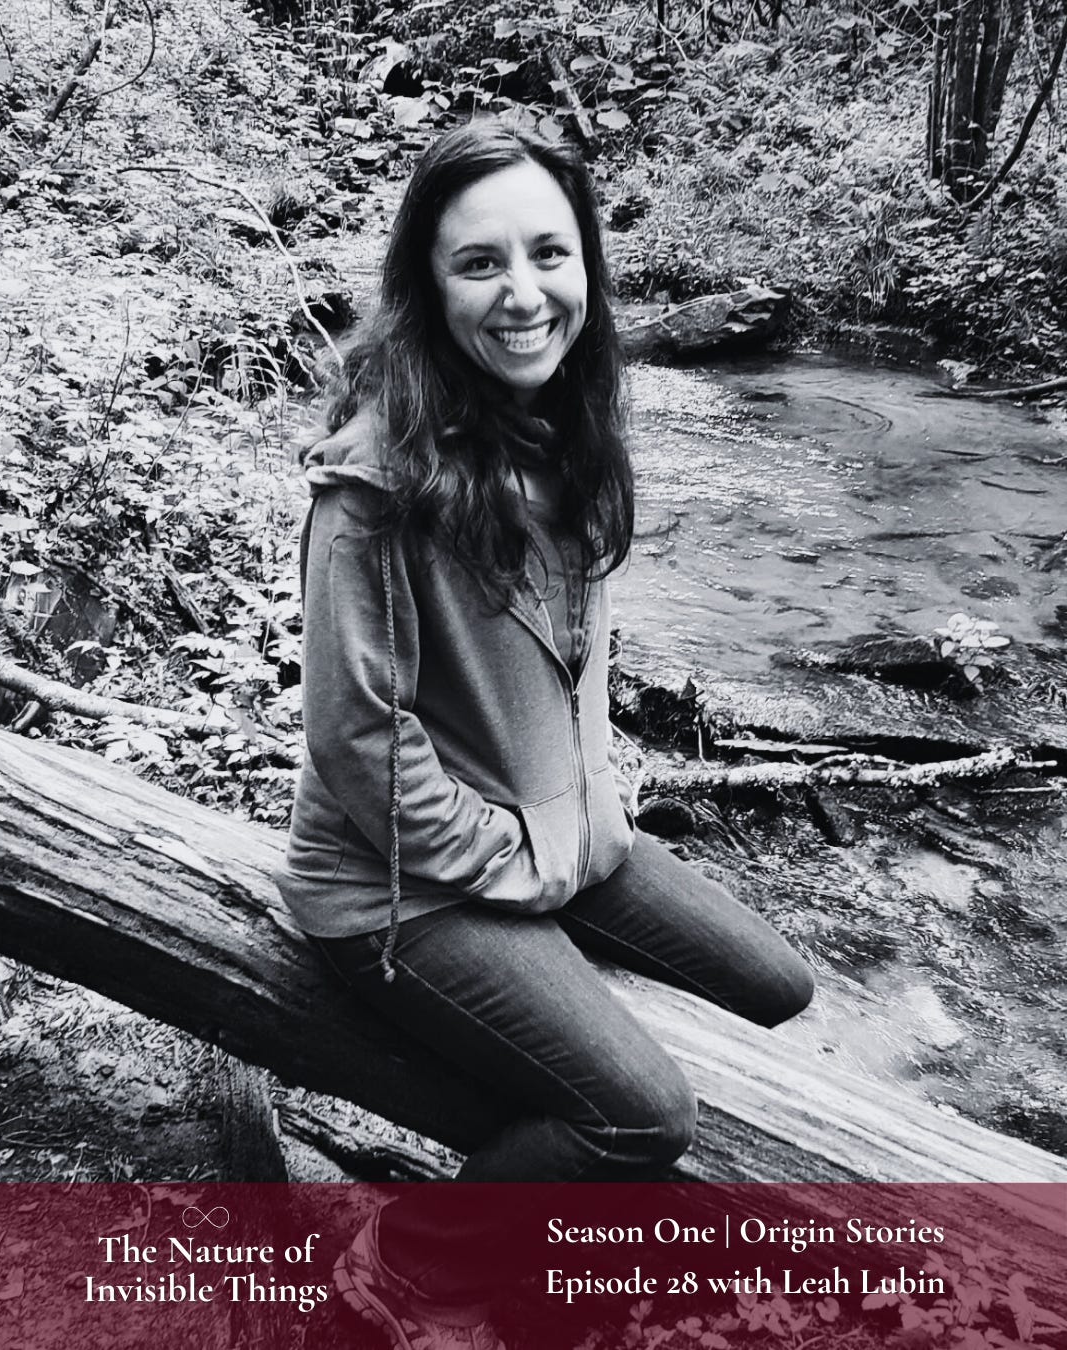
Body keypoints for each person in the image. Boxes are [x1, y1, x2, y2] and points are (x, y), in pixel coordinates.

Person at [275, 120, 814, 1350]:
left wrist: (591, 807)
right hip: (394, 883)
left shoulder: (564, 429)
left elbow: (576, 672)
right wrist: (518, 867)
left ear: (588, 268)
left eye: (549, 254)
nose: (525, 295)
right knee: (639, 1115)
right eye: (480, 265)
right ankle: (407, 1257)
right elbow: (360, 739)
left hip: (560, 831)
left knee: (778, 986)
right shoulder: (373, 489)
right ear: (425, 285)